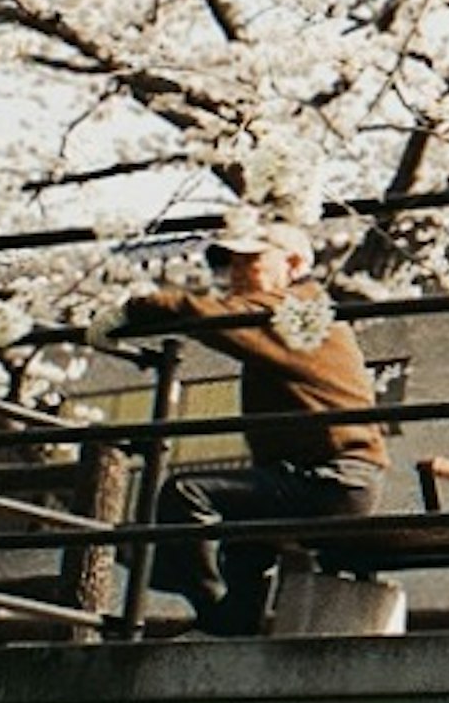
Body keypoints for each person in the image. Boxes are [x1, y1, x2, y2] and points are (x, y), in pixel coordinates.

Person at [115, 216, 388, 636]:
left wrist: (128, 311)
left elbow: (201, 313)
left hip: (331, 482)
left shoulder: (297, 313)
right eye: (231, 265)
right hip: (318, 480)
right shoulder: (299, 314)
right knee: (242, 545)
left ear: (294, 264)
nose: (236, 275)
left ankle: (210, 600)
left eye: (251, 262)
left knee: (186, 494)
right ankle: (228, 624)